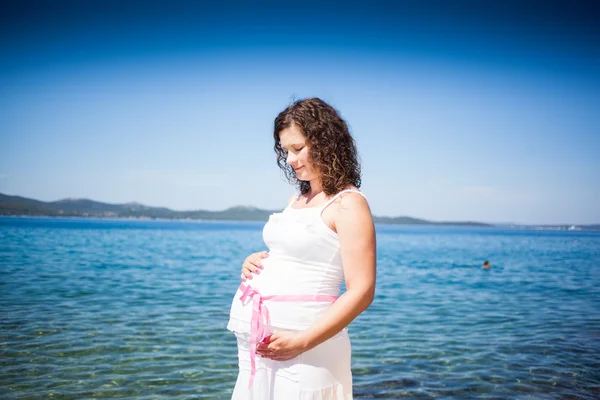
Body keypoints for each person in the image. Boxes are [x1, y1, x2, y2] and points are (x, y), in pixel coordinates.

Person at [227, 98, 376, 399]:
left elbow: (362, 291)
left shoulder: (348, 203)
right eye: (285, 151)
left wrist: (304, 340)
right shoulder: (298, 198)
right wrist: (255, 262)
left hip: (306, 345)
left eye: (298, 148)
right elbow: (296, 254)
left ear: (326, 142)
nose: (291, 159)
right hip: (261, 343)